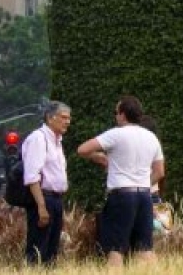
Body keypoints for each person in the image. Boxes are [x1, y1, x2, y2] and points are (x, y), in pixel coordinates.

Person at [78, 96, 166, 268]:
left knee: (115, 248)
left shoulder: (115, 134)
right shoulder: (151, 137)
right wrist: (144, 185)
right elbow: (159, 171)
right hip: (144, 196)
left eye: (116, 112)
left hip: (121, 195)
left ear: (123, 114)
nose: (115, 116)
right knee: (145, 248)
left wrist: (101, 157)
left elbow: (82, 149)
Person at [21, 101, 72, 265]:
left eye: (69, 118)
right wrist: (41, 207)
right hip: (42, 198)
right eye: (63, 117)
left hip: (56, 199)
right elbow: (32, 176)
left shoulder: (57, 141)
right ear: (50, 118)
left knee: (51, 250)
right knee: (38, 248)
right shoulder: (38, 138)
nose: (67, 122)